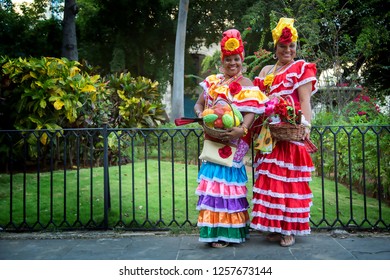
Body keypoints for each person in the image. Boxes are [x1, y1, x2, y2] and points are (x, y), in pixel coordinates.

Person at [193, 29, 268, 248]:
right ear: (222, 60)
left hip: (237, 142)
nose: (232, 63)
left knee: (228, 187)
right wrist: (201, 115)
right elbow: (199, 104)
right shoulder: (213, 82)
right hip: (214, 140)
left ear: (241, 60)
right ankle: (214, 231)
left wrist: (242, 129)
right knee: (213, 186)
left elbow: (252, 112)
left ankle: (228, 233)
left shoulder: (246, 84)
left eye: (236, 59)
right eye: (228, 59)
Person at [250, 18, 318, 247]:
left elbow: (305, 101)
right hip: (270, 135)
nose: (287, 50)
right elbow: (257, 101)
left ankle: (289, 229)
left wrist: (305, 127)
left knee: (289, 182)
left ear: (296, 47)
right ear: (275, 47)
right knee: (271, 181)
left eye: (291, 46)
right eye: (282, 46)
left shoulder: (300, 68)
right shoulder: (266, 70)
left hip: (291, 134)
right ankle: (275, 227)